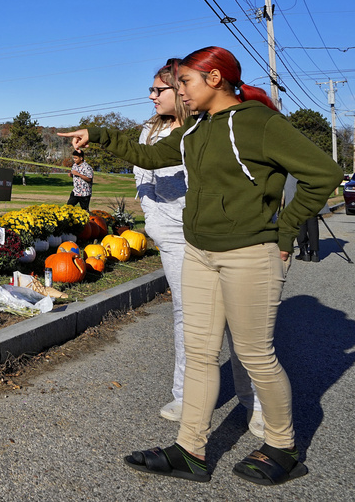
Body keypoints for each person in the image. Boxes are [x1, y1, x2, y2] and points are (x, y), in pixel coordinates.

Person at [59, 46, 341, 486]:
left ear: (214, 79)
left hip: (250, 254)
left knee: (254, 355)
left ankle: (283, 448)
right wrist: (96, 136)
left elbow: (323, 173)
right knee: (202, 354)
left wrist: (283, 232)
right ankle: (191, 450)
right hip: (200, 253)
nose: (180, 93)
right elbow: (151, 156)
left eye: (185, 83)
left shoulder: (258, 122)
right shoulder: (195, 130)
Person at [134, 60, 262, 434]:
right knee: (188, 318)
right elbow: (144, 182)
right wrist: (158, 226)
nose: (151, 96)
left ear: (182, 91)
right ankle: (186, 395)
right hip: (175, 240)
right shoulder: (149, 133)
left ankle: (253, 402)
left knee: (239, 324)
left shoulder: (208, 128)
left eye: (159, 90)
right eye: (152, 90)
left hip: (220, 234)